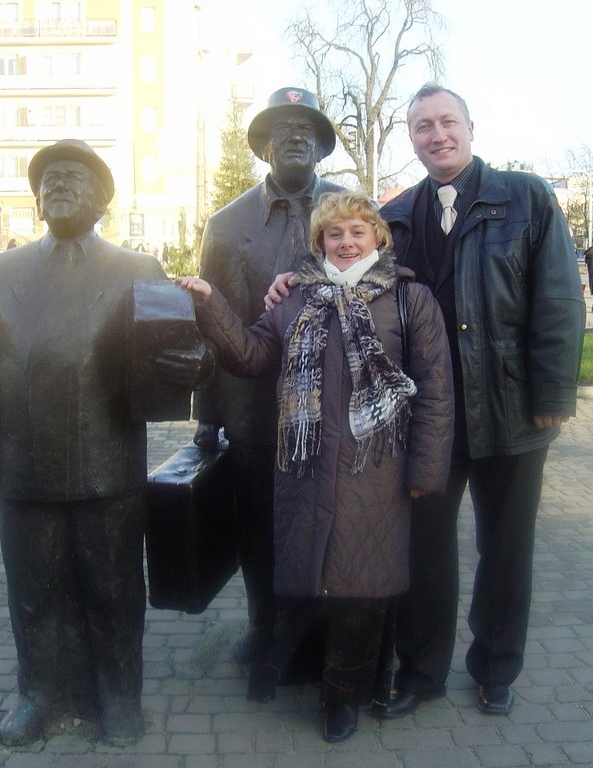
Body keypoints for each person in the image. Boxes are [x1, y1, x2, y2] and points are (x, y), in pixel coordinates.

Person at [267, 84, 584, 717]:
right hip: (429, 417)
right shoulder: (402, 214)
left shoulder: (526, 199)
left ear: (471, 127)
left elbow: (559, 299)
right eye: (422, 127)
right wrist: (294, 278)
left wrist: (553, 391)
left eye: (447, 123)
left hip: (513, 410)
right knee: (427, 547)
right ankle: (421, 673)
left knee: (507, 545)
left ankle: (496, 666)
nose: (437, 135)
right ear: (410, 139)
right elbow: (360, 276)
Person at [0, 139, 207, 748]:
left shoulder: (136, 270)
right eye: (49, 179)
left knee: (114, 589)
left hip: (107, 464)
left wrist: (192, 362)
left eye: (74, 177)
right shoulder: (3, 271)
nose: (58, 186)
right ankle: (37, 695)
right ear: (36, 199)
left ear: (102, 199)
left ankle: (118, 697)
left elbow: (173, 355)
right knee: (34, 592)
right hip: (24, 464)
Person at [179, 191, 454, 742]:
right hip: (307, 469)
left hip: (376, 471)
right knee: (317, 581)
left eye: (357, 231)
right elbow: (253, 355)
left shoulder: (410, 299)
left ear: (378, 237)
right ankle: (310, 674)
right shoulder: (297, 296)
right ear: (320, 242)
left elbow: (436, 392)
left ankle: (343, 697)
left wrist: (426, 474)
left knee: (362, 589)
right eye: (335, 234)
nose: (347, 242)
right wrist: (212, 304)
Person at [192, 87, 346, 666]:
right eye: (283, 128)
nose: (296, 136)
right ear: (264, 145)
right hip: (254, 408)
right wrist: (206, 416)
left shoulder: (348, 211)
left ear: (322, 144)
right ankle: (264, 627)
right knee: (258, 527)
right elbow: (214, 320)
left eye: (307, 128)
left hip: (332, 406)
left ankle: (318, 634)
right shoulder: (228, 225)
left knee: (325, 521)